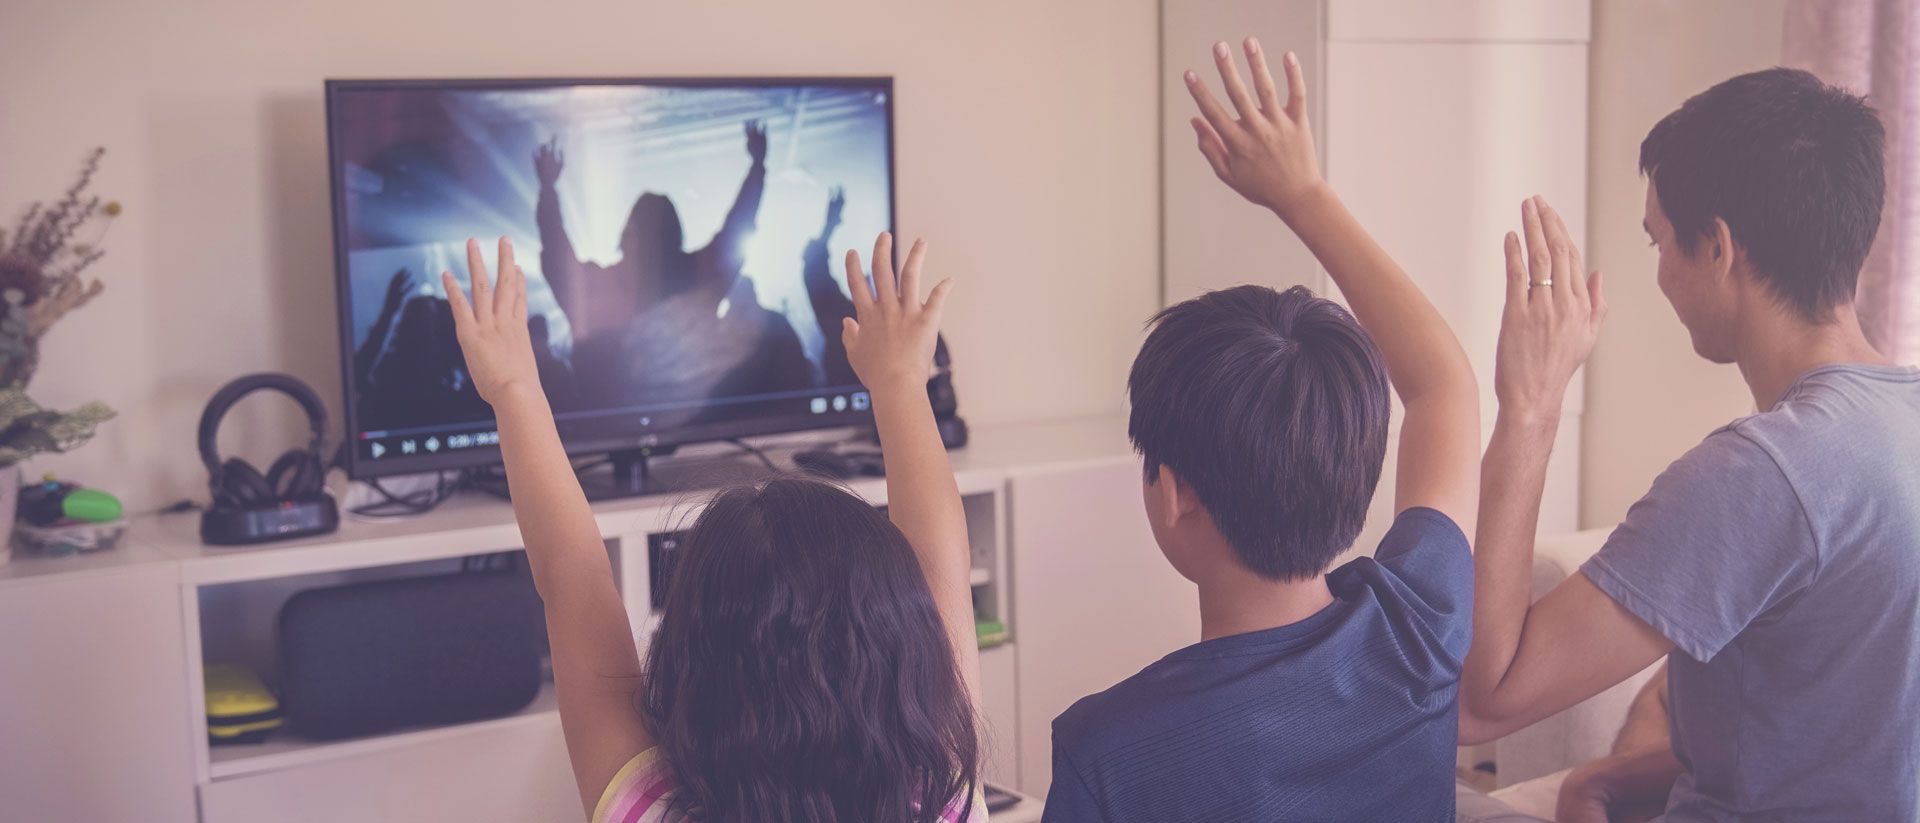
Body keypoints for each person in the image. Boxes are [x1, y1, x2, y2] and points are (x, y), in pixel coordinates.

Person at [1458, 67, 1919, 822]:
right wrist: (1602, 779)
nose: (1661, 271)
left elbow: (1485, 696)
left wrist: (1531, 404)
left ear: (1718, 249)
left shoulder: (1764, 473)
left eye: (1660, 240)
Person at [1043, 38, 1480, 821]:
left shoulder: (1108, 751)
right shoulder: (1418, 628)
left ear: (1173, 493)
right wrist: (1303, 192)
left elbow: (1440, 389)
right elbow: (1444, 385)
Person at [440, 233, 985, 822]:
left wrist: (512, 386)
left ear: (687, 665)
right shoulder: (945, 796)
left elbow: (571, 576)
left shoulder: (653, 810)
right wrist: (903, 381)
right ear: (909, 656)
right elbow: (941, 557)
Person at [533, 120, 769, 342]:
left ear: (628, 234)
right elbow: (736, 228)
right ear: (674, 232)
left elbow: (557, 257)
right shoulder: (698, 277)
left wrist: (547, 189)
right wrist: (757, 166)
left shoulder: (601, 289)